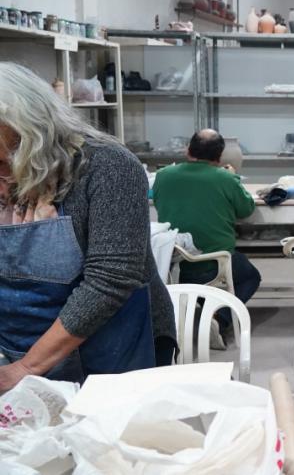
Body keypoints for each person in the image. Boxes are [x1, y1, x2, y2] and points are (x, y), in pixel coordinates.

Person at [0, 62, 173, 390]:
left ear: (32, 131)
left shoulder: (107, 168)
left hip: (112, 347)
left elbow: (109, 281)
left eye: (4, 164)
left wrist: (26, 368)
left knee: (107, 437)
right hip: (20, 347)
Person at [152, 129, 260, 347]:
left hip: (173, 263)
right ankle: (219, 319)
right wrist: (232, 177)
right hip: (215, 264)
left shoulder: (163, 176)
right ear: (219, 157)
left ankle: (201, 308)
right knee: (250, 276)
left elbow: (156, 199)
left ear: (187, 150)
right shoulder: (225, 178)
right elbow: (246, 208)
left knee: (207, 272)